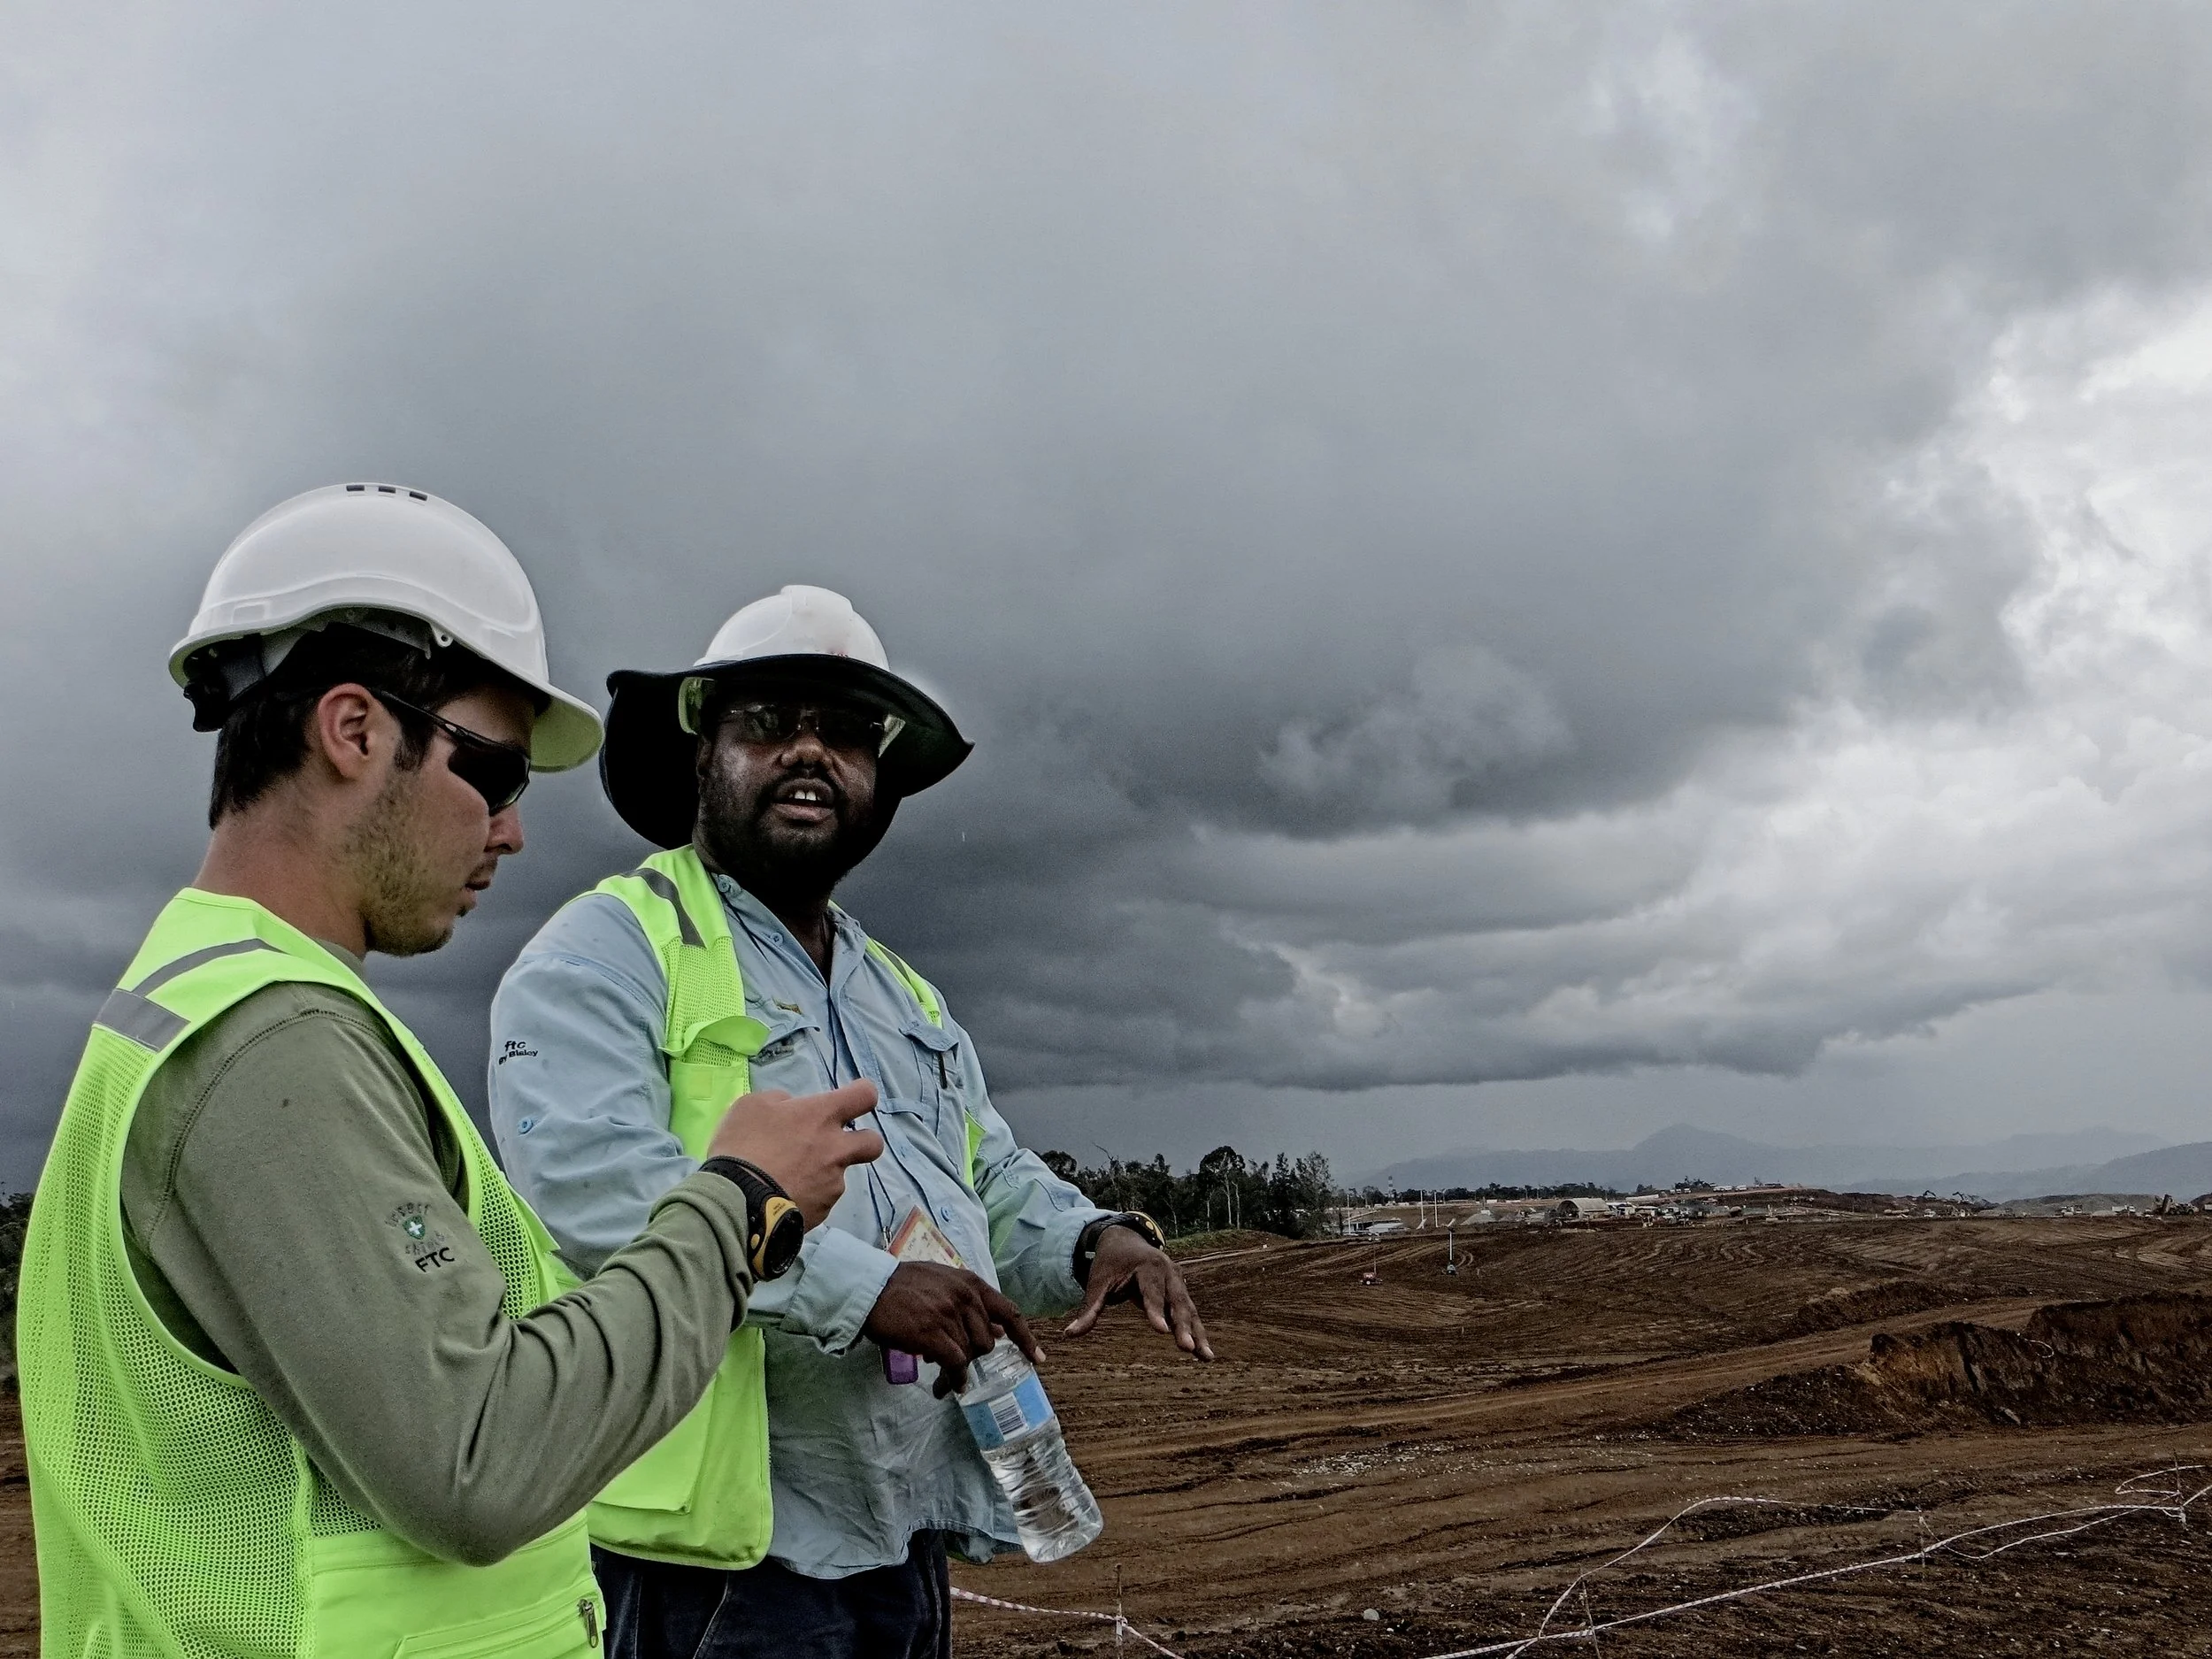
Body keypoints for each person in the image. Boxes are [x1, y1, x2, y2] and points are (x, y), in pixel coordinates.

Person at [17, 488, 883, 1659]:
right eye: (496, 771)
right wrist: (739, 1196)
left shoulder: (212, 996)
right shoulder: (272, 1042)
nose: (514, 828)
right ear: (356, 729)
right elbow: (477, 1458)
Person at [488, 584, 1214, 1659]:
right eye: (770, 724)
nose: (809, 752)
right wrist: (864, 1289)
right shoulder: (609, 949)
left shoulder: (902, 992)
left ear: (880, 782)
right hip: (725, 1557)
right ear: (703, 756)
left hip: (901, 1523)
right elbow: (598, 1191)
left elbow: (987, 1173)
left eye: (844, 733)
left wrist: (1087, 1238)